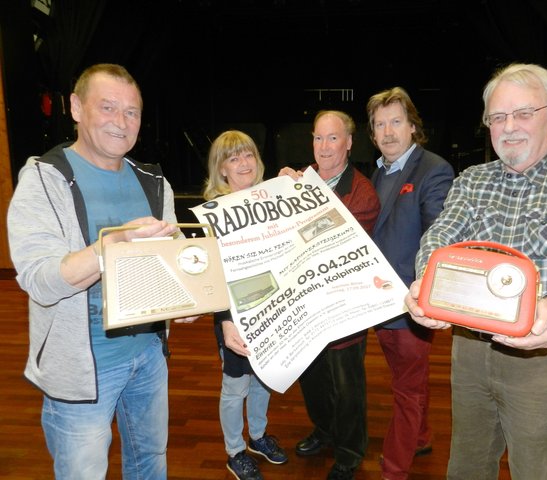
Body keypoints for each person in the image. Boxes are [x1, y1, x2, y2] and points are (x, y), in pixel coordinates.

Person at [405, 63, 547, 480]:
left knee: (537, 471)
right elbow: (440, 238)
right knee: (466, 467)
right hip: (470, 350)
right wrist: (424, 283)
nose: (510, 127)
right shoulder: (472, 180)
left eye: (524, 113)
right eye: (498, 117)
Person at [6, 63, 197, 478]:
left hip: (148, 356)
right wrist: (113, 243)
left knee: (150, 465)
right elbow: (40, 280)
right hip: (80, 370)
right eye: (108, 107)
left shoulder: (153, 182)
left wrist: (187, 296)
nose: (121, 122)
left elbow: (172, 259)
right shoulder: (45, 179)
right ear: (76, 107)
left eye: (131, 112)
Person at [279, 110, 381, 480]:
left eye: (333, 138)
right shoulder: (298, 181)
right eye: (318, 138)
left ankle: (350, 450)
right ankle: (323, 431)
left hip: (343, 308)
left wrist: (294, 201)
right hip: (304, 306)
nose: (324, 146)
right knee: (313, 378)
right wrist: (281, 193)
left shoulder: (362, 192)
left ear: (349, 143)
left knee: (347, 385)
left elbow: (333, 245)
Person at [367, 87, 455, 480]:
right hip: (379, 301)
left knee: (406, 389)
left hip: (411, 303)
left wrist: (424, 291)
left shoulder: (433, 169)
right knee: (409, 376)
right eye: (380, 124)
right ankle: (421, 435)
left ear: (413, 126)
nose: (388, 132)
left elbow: (440, 236)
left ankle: (394, 469)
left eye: (396, 122)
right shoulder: (378, 172)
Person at [203, 130, 288, 480]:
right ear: (221, 169)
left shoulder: (267, 201)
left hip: (269, 311)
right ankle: (235, 450)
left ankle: (256, 436)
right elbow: (212, 277)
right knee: (235, 387)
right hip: (234, 318)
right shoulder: (213, 213)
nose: (244, 163)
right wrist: (226, 320)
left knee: (263, 381)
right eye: (234, 158)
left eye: (248, 155)